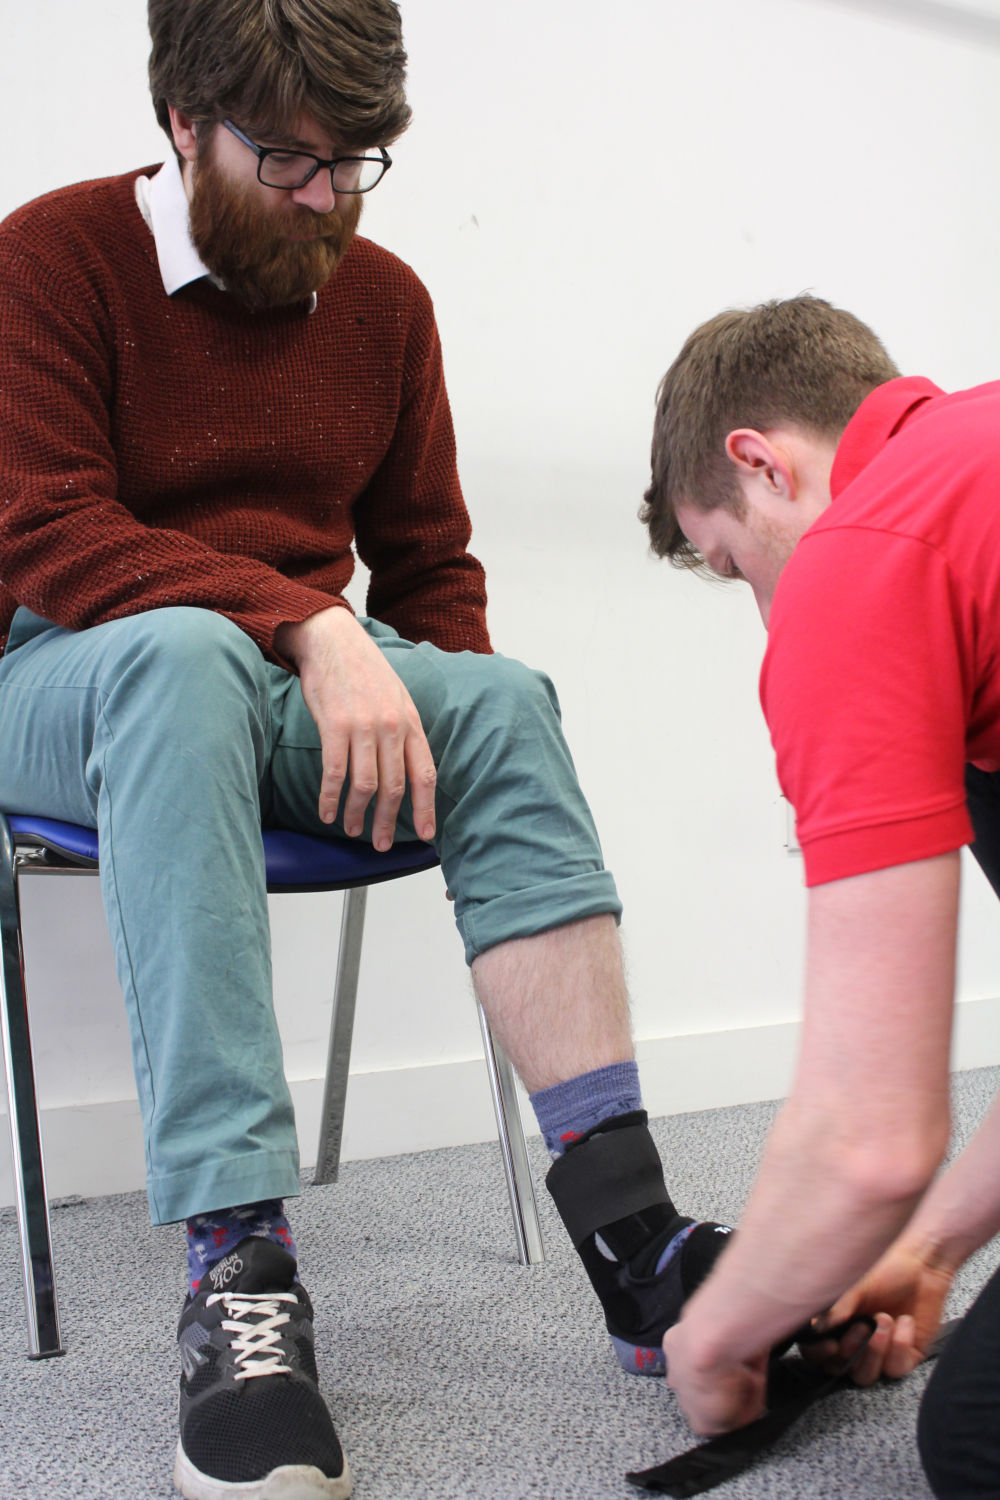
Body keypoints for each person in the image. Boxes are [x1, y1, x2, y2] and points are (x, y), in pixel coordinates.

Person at [0, 4, 730, 1497]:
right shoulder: (48, 261)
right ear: (181, 121)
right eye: (288, 161)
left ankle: (630, 1231)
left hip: (260, 683)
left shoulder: (383, 300)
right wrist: (315, 631)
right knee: (182, 653)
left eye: (357, 164)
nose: (326, 201)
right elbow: (46, 531)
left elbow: (427, 568)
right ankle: (238, 1270)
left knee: (502, 694)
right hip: (71, 667)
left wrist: (440, 704)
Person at [640, 292, 1000, 1499]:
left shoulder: (864, 562)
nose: (766, 615)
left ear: (761, 464)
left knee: (978, 1438)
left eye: (734, 564)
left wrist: (716, 1336)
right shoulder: (976, 468)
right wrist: (933, 1249)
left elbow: (869, 1142)